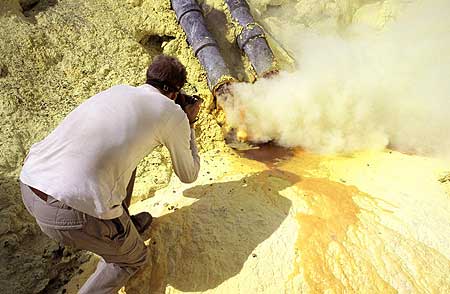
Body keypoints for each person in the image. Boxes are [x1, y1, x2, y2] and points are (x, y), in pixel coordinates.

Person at [19, 55, 201, 293]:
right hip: (70, 211)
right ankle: (118, 243)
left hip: (30, 185)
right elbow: (189, 175)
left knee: (128, 156)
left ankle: (124, 228)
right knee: (132, 259)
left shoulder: (119, 91)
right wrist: (189, 122)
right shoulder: (172, 113)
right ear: (175, 93)